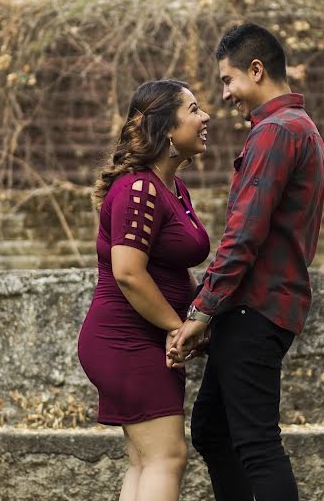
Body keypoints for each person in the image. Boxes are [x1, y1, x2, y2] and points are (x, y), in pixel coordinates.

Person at [169, 23, 324, 501]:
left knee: (257, 445)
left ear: (256, 70)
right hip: (259, 307)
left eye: (227, 80)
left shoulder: (276, 133)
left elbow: (242, 235)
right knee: (213, 431)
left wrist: (201, 313)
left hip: (253, 308)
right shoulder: (300, 128)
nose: (225, 95)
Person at [77, 79, 211, 501]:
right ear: (167, 128)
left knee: (147, 460)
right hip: (125, 339)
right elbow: (129, 272)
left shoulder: (172, 187)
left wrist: (197, 316)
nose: (205, 117)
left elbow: (170, 267)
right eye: (193, 109)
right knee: (165, 456)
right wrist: (179, 328)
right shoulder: (140, 188)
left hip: (146, 340)